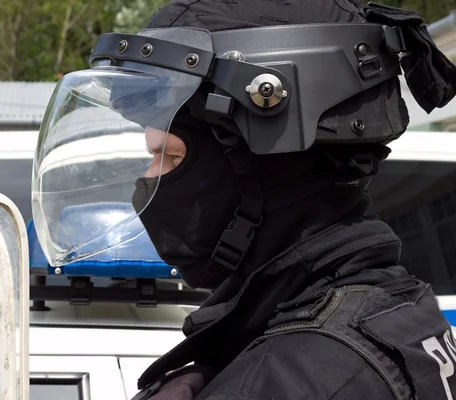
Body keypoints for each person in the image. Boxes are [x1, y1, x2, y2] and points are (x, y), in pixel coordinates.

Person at [31, 0, 456, 399]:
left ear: (271, 170)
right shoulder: (393, 308)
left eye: (168, 155)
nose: (147, 179)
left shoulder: (292, 381)